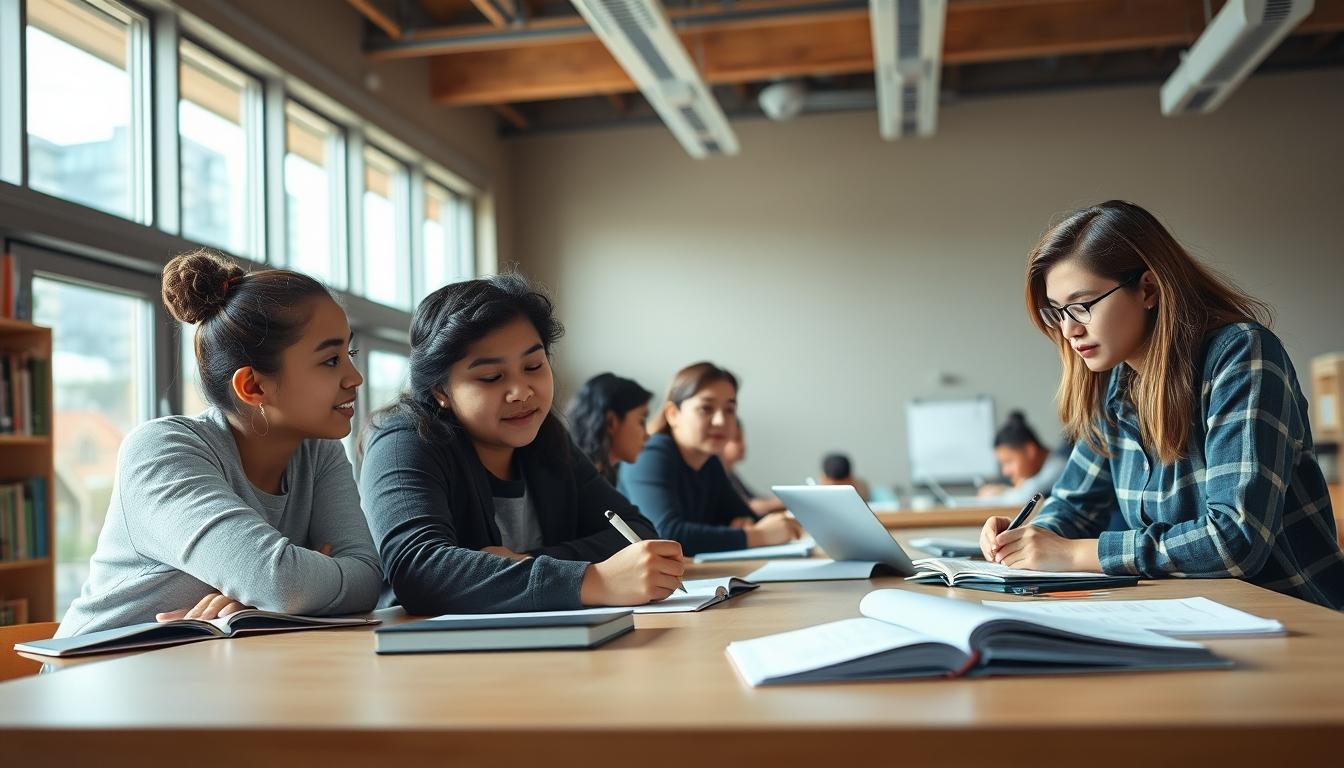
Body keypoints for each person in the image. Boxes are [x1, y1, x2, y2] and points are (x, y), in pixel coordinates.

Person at [980, 200, 1344, 609]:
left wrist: (1075, 553)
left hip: (1293, 618)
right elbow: (1073, 507)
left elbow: (1235, 540)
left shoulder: (1242, 354)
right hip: (1185, 611)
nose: (1069, 330)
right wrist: (1025, 542)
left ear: (1148, 289)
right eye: (1057, 312)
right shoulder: (1112, 382)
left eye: (1082, 305)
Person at [57, 250, 383, 637]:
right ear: (254, 386)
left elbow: (366, 578)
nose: (355, 378)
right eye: (331, 360)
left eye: (350, 353)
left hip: (211, 670)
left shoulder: (319, 450)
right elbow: (282, 584)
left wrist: (262, 598)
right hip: (93, 675)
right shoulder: (161, 450)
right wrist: (282, 585)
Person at [360, 273, 683, 614]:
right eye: (491, 377)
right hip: (431, 655)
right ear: (441, 390)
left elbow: (636, 532)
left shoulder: (547, 438)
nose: (522, 392)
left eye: (533, 366)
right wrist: (593, 580)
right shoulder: (403, 441)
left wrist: (525, 562)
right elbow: (418, 569)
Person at [618, 362, 802, 555]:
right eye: (706, 408)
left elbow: (746, 518)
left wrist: (747, 528)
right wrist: (757, 536)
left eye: (729, 409)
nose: (721, 420)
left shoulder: (709, 462)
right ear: (673, 414)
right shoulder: (650, 454)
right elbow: (666, 535)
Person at [565, 372, 652, 486]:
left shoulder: (609, 476)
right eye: (641, 421)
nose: (647, 435)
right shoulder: (571, 481)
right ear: (611, 422)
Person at [975, 411, 1067, 505]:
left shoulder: (1059, 468)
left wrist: (997, 494)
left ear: (1029, 451)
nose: (1005, 471)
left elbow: (1024, 497)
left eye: (1009, 462)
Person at [719, 420, 786, 516]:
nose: (743, 445)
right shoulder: (719, 477)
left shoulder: (732, 474)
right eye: (737, 439)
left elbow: (755, 498)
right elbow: (750, 506)